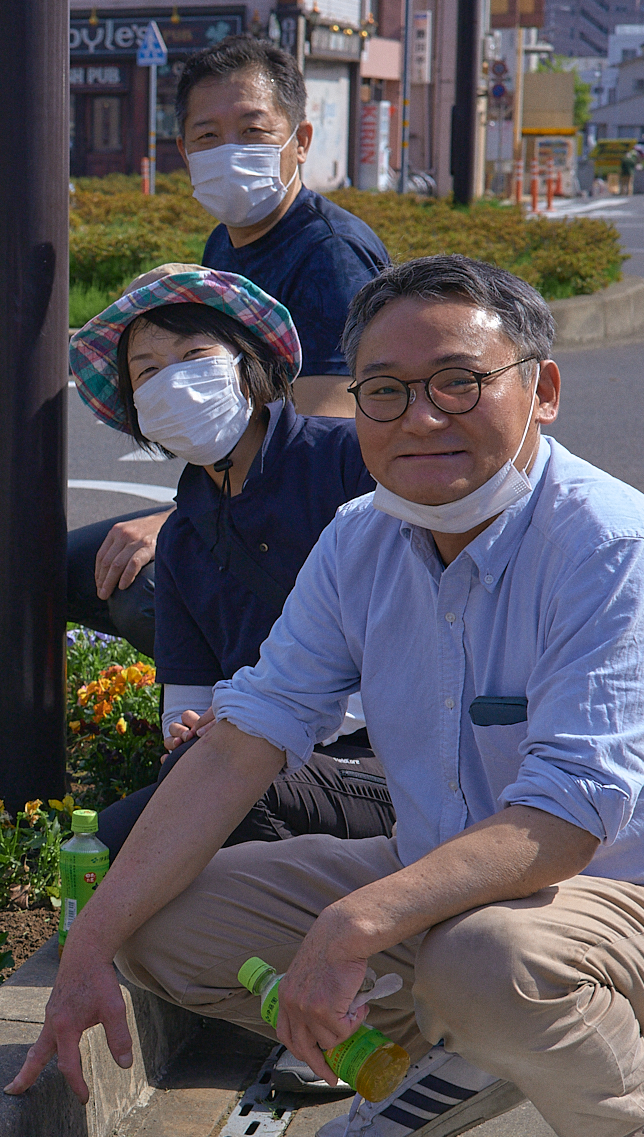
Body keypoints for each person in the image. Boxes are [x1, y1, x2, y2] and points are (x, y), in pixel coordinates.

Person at [12, 254, 644, 1137]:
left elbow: (568, 819)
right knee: (160, 922)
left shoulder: (605, 541)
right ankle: (454, 1058)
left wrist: (353, 924)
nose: (422, 417)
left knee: (482, 957)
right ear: (355, 401)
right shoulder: (361, 537)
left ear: (541, 389)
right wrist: (89, 942)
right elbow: (241, 740)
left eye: (459, 380)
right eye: (387, 390)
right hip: (449, 886)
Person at [72, 35, 391, 654]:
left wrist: (176, 524)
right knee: (56, 567)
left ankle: (258, 699)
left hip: (307, 529)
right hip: (230, 502)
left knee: (148, 591)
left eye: (252, 131)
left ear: (299, 140)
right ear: (184, 151)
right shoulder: (226, 242)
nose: (229, 151)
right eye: (208, 136)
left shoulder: (329, 256)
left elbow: (322, 444)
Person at [67, 264, 391, 853]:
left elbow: (421, 634)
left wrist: (255, 723)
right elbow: (186, 697)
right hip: (268, 757)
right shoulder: (181, 536)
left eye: (194, 355)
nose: (173, 381)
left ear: (247, 365)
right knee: (106, 850)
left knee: (230, 793)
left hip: (393, 757)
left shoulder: (349, 460)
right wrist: (190, 729)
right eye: (148, 371)